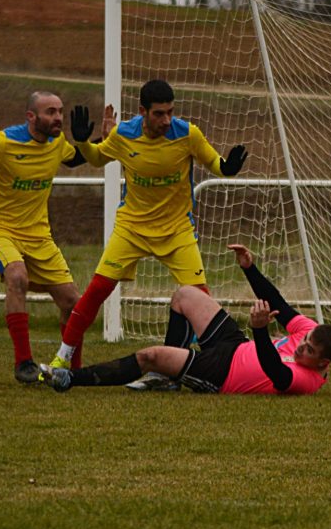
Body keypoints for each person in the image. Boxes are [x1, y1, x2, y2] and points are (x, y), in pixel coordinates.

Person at [46, 79, 248, 391]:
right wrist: (84, 143)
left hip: (177, 230)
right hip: (132, 228)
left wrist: (228, 168)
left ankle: (191, 371)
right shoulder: (124, 134)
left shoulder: (187, 133)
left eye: (170, 112)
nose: (166, 120)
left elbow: (215, 163)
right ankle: (61, 359)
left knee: (199, 299)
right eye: (159, 114)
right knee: (97, 291)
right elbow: (97, 158)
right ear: (143, 111)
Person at [40, 244, 331, 395]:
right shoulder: (311, 330)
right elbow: (279, 304)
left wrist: (261, 330)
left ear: (323, 363)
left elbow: (274, 370)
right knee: (185, 294)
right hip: (235, 345)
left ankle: (71, 378)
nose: (301, 346)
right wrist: (249, 268)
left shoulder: (306, 381)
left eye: (309, 350)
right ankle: (167, 378)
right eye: (306, 341)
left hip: (221, 374)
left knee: (150, 355)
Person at [0, 90, 103, 384]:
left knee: (72, 302)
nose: (58, 117)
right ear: (31, 116)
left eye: (60, 111)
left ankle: (72, 370)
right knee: (16, 277)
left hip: (39, 235)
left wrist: (103, 140)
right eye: (51, 112)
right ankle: (24, 363)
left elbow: (76, 158)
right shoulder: (3, 141)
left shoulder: (56, 143)